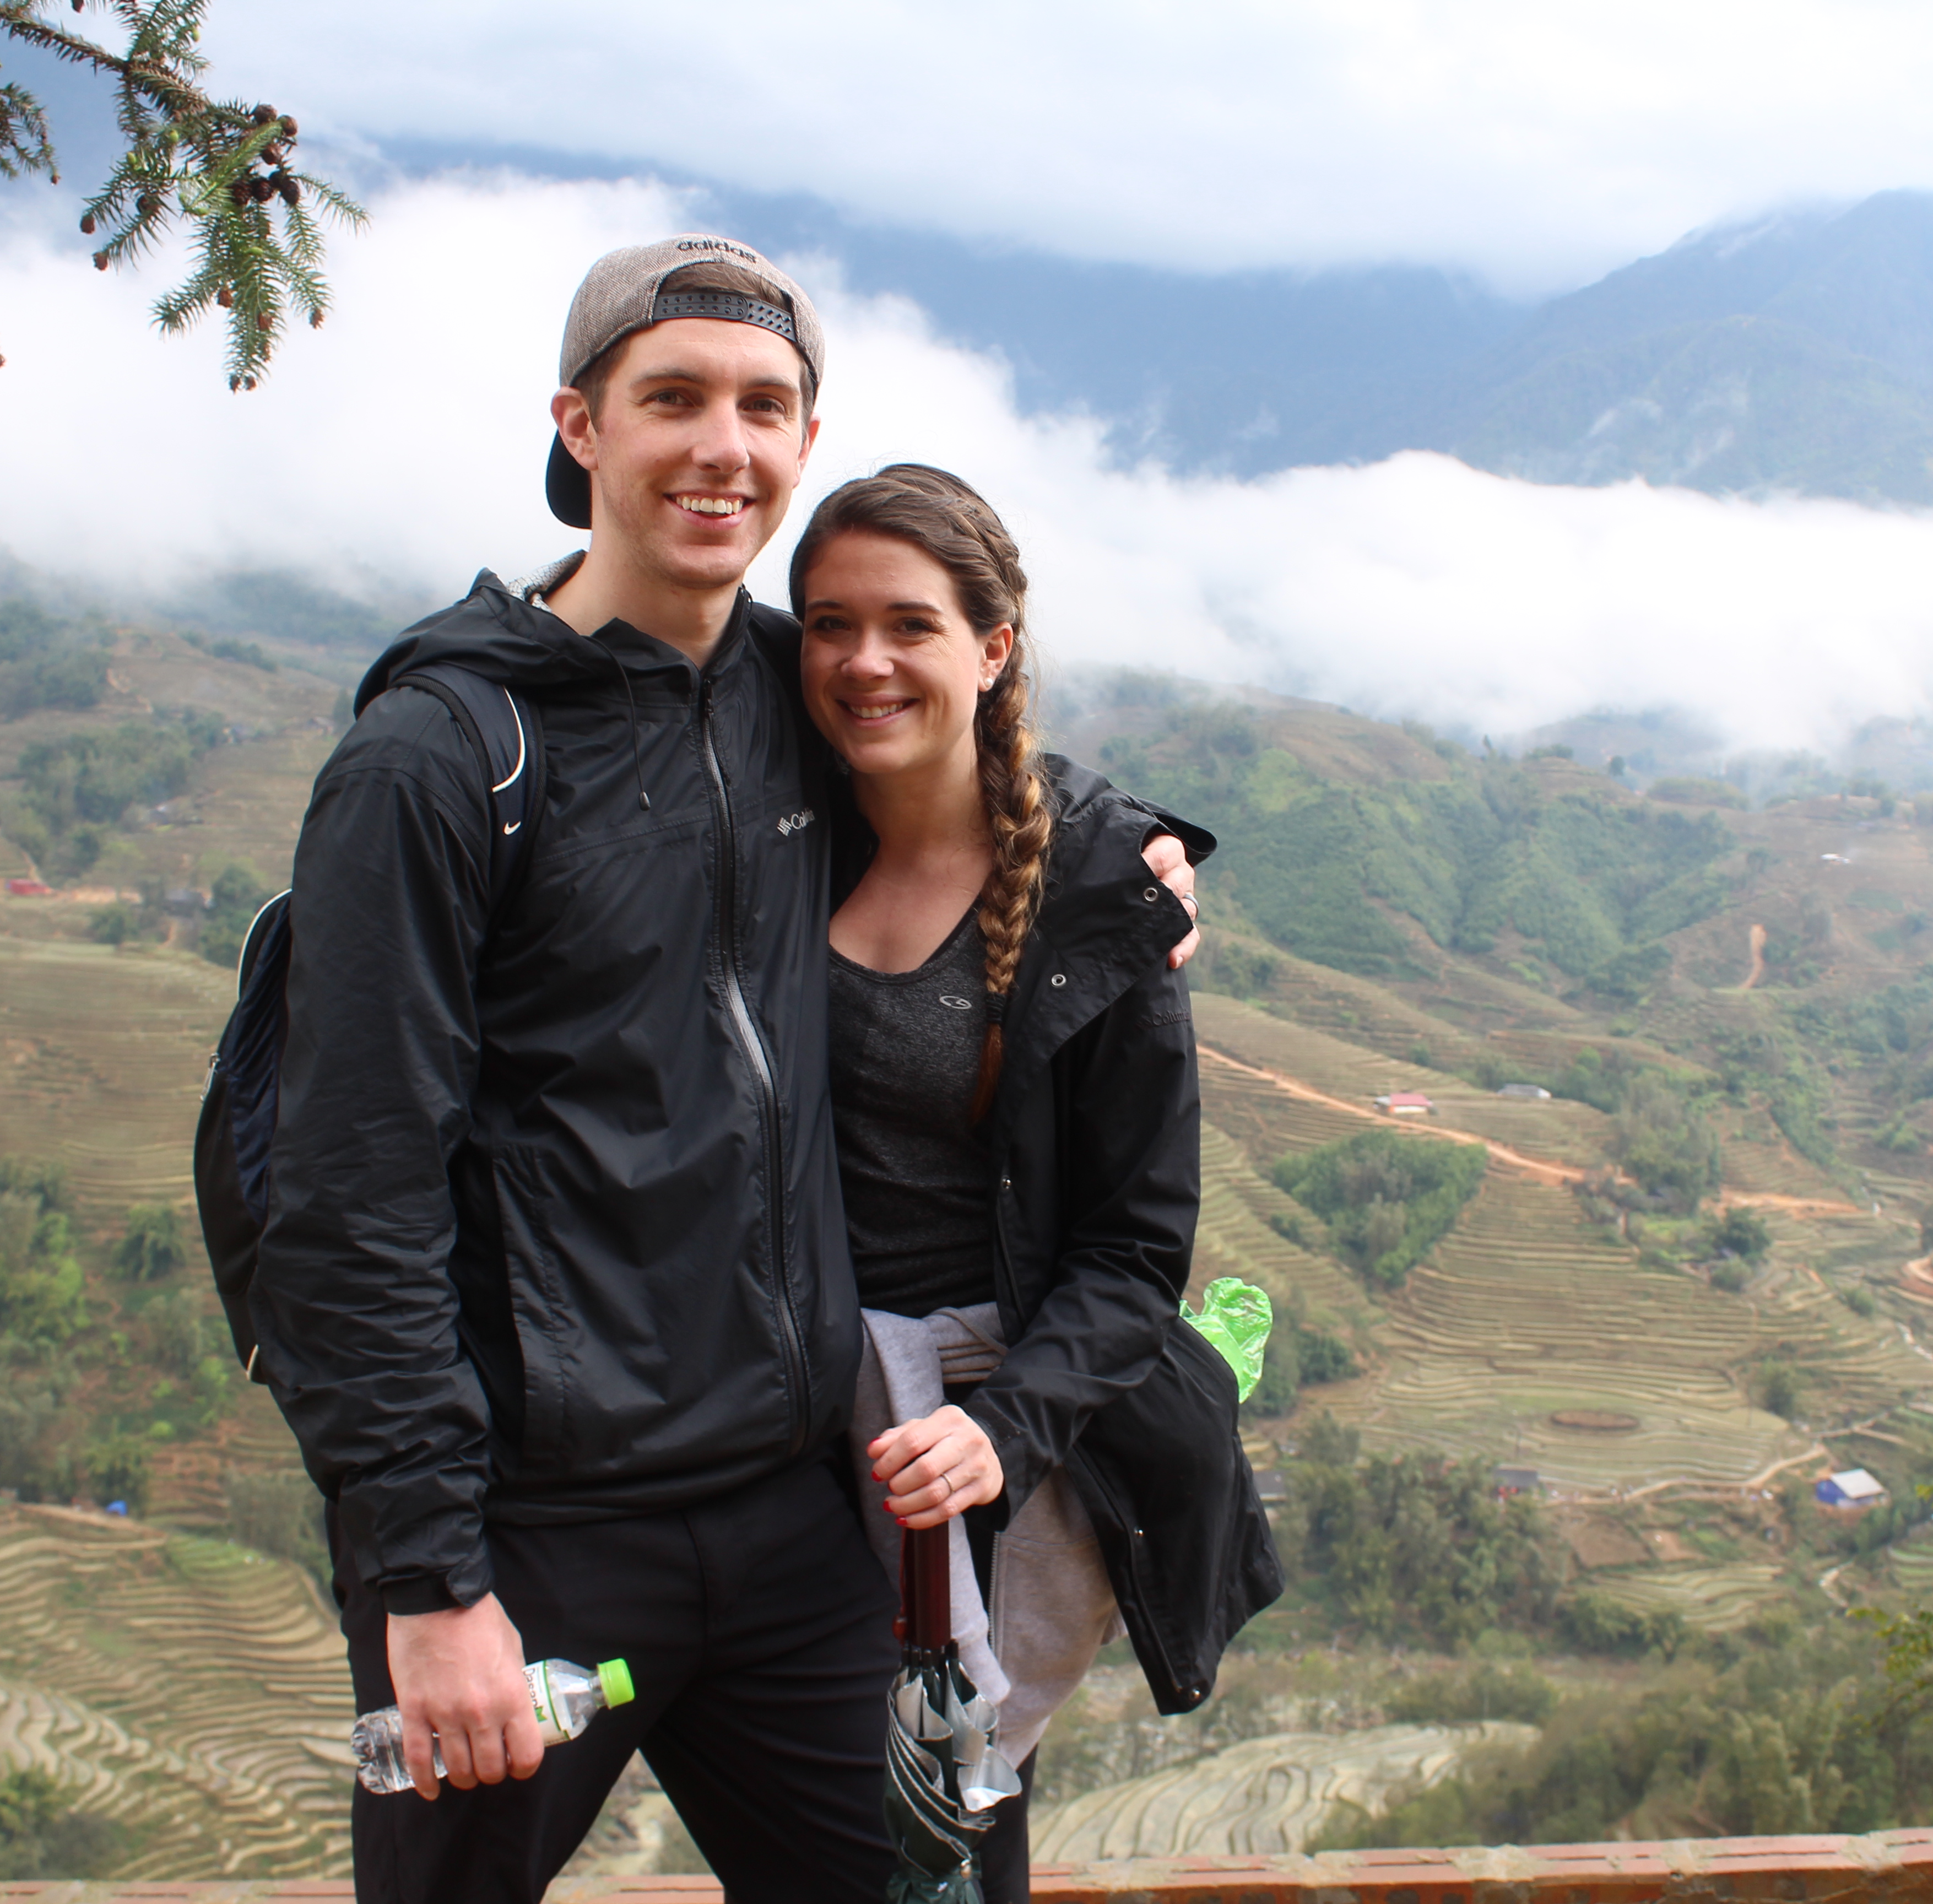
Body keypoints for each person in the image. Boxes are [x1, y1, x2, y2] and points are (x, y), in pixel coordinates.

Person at [250, 239, 1199, 1904]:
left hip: (793, 1508)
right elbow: (350, 1197)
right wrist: (428, 1582)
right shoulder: (444, 758)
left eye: (764, 407)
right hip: (533, 1535)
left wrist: (1139, 863)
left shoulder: (785, 690)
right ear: (581, 425)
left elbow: (962, 744)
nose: (723, 445)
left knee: (933, 1891)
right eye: (673, 397)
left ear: (804, 441)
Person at [794, 466, 1282, 1903]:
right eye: (829, 624)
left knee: (946, 1813)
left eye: (912, 624)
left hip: (990, 1425)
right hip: (797, 1412)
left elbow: (1133, 1252)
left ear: (994, 646)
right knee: (818, 1803)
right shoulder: (778, 830)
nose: (866, 661)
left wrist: (1001, 1432)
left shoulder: (1092, 900)